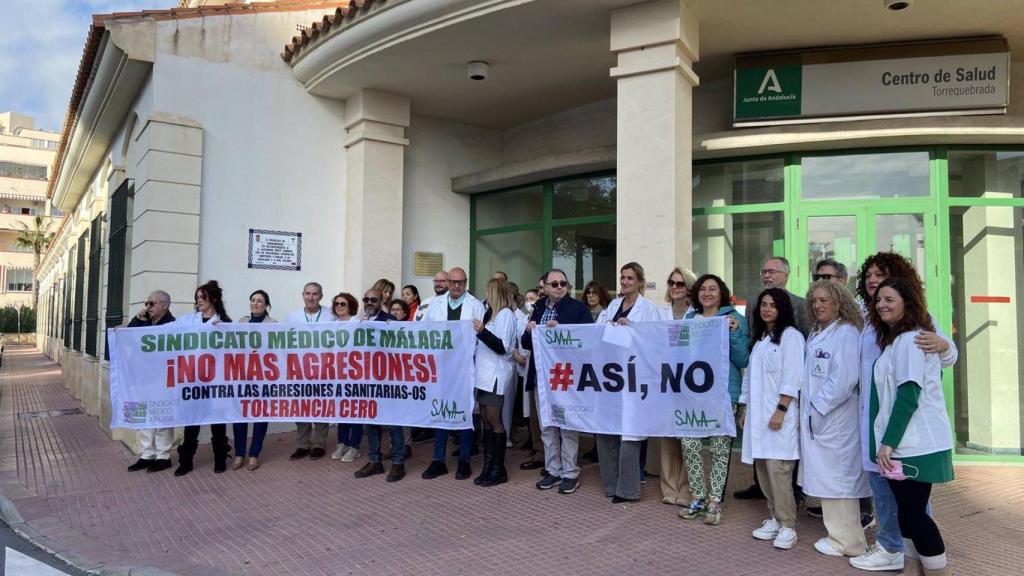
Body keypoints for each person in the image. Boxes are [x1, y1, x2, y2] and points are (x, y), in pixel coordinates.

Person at [849, 253, 957, 573]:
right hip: (892, 435)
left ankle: (933, 568)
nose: (873, 282)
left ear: (905, 298)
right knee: (906, 511)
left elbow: (909, 393)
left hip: (910, 440)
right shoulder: (886, 332)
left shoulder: (912, 336)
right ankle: (906, 563)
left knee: (914, 512)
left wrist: (888, 441)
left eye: (881, 276)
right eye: (869, 275)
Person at [798, 280, 869, 558]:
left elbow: (844, 379)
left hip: (836, 419)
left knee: (840, 481)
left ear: (839, 302)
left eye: (824, 300)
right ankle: (839, 536)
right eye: (814, 301)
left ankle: (848, 542)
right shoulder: (819, 332)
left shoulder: (847, 332)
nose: (817, 305)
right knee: (830, 480)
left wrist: (818, 406)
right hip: (821, 418)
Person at [736, 255, 809, 502]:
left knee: (781, 462)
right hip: (760, 396)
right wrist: (744, 406)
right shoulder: (755, 311)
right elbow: (752, 349)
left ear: (786, 275)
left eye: (772, 271)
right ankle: (766, 496)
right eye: (764, 271)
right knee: (762, 457)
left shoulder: (798, 313)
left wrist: (782, 408)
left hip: (782, 400)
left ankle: (790, 501)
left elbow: (796, 367)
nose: (767, 275)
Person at [680, 274, 749, 525]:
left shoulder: (734, 319)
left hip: (723, 392)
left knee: (720, 448)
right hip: (693, 391)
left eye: (713, 289)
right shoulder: (690, 320)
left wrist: (734, 332)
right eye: (703, 289)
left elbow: (743, 359)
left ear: (721, 294)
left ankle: (715, 501)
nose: (707, 293)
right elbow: (678, 352)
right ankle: (698, 497)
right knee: (690, 444)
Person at [740, 288, 805, 549]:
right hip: (758, 418)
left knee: (779, 472)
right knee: (764, 470)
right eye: (764, 305)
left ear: (783, 309)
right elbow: (749, 378)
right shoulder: (761, 339)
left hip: (779, 417)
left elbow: (793, 377)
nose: (767, 309)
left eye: (773, 305)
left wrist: (781, 410)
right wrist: (744, 408)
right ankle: (775, 518)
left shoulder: (791, 337)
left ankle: (788, 525)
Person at [595, 262, 661, 503]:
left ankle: (628, 490)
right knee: (606, 430)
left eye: (630, 278)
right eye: (622, 277)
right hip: (610, 377)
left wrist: (633, 330)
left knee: (630, 434)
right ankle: (610, 484)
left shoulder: (649, 310)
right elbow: (596, 334)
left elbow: (655, 342)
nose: (624, 282)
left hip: (634, 377)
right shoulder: (612, 306)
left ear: (640, 282)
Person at [522, 268, 593, 493]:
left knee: (567, 426)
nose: (560, 287)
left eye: (563, 283)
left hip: (566, 377)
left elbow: (588, 340)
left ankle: (570, 472)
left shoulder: (578, 309)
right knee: (547, 426)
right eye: (554, 284)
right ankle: (553, 469)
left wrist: (563, 330)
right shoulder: (538, 308)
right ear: (544, 287)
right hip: (541, 378)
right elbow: (526, 343)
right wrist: (530, 330)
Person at [420, 267, 484, 480]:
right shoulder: (435, 304)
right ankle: (438, 460)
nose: (457, 286)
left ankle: (464, 460)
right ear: (447, 282)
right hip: (441, 367)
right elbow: (425, 332)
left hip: (464, 368)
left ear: (466, 283)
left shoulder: (476, 305)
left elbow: (479, 338)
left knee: (464, 412)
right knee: (440, 411)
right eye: (453, 282)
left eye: (461, 282)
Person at [174, 280, 232, 476]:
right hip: (193, 379)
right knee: (192, 421)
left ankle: (220, 458)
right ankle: (186, 461)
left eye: (203, 297)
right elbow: (166, 331)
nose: (199, 301)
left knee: (218, 421)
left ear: (213, 299)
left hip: (216, 380)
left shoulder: (224, 323)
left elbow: (233, 350)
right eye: (197, 297)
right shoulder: (188, 320)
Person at [472, 278, 518, 487]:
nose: (486, 296)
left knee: (493, 419)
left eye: (489, 292)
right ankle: (488, 465)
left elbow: (503, 347)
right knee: (484, 418)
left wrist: (482, 331)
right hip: (483, 374)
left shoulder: (506, 315)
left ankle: (499, 468)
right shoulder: (490, 314)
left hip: (495, 374)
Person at [354, 288, 404, 481]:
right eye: (366, 299)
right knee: (371, 422)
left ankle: (398, 463)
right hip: (368, 380)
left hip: (389, 381)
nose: (369, 302)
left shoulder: (391, 322)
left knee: (394, 423)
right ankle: (375, 461)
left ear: (382, 301)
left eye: (373, 300)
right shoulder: (359, 322)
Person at [657, 267, 697, 507]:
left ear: (689, 288)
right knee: (667, 437)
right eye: (671, 282)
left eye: (680, 284)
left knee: (688, 437)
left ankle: (686, 488)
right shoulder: (659, 313)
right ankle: (669, 487)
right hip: (664, 381)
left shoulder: (697, 315)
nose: (674, 287)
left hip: (690, 382)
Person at [125, 290, 176, 473]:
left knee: (161, 417)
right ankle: (146, 454)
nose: (148, 307)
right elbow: (127, 338)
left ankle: (163, 456)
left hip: (162, 379)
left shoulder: (173, 325)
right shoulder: (143, 322)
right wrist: (137, 320)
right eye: (147, 303)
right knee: (142, 416)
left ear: (165, 305)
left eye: (152, 303)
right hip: (141, 377)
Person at [286, 282, 337, 461]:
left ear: (321, 296)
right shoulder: (292, 317)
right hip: (300, 370)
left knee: (321, 406)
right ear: (302, 295)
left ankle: (319, 444)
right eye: (307, 294)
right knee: (301, 408)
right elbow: (285, 342)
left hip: (324, 369)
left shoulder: (331, 316)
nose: (310, 297)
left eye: (314, 294)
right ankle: (302, 444)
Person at [232, 290, 274, 471]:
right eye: (253, 300)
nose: (255, 303)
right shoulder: (242, 322)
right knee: (239, 416)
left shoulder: (273, 324)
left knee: (260, 416)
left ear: (266, 305)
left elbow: (275, 349)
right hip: (242, 376)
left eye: (260, 301)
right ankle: (239, 453)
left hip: (262, 377)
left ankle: (254, 454)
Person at [330, 293, 363, 463]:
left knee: (355, 411)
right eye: (336, 303)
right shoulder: (331, 325)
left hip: (355, 374)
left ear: (350, 305)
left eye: (342, 303)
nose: (339, 306)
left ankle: (354, 446)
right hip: (337, 374)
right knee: (342, 410)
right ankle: (342, 443)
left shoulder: (357, 323)